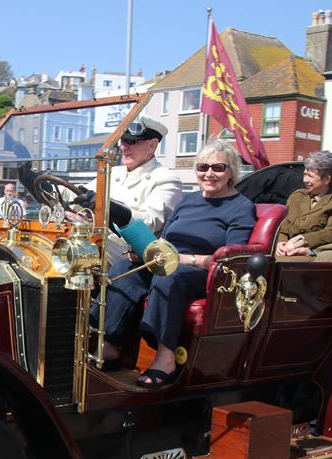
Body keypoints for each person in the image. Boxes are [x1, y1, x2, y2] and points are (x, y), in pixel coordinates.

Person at [96, 141, 255, 388]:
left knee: (170, 275)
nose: (209, 173)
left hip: (206, 272)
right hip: (168, 261)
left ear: (232, 171)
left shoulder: (242, 208)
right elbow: (165, 239)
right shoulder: (188, 201)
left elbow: (231, 259)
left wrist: (183, 259)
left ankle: (166, 357)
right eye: (203, 167)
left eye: (218, 167)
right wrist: (143, 251)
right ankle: (108, 346)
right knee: (122, 270)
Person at [71, 115, 183, 263]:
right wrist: (40, 182)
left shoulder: (166, 180)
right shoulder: (112, 172)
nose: (123, 147)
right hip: (97, 243)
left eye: (132, 141)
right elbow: (78, 193)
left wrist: (112, 208)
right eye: (123, 140)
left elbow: (150, 224)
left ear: (152, 145)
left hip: (129, 256)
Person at [275, 151, 332, 258]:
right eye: (305, 174)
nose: (305, 180)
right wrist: (280, 243)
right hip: (285, 252)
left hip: (312, 256)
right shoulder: (297, 197)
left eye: (310, 176)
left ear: (326, 179)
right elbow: (282, 227)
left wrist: (303, 240)